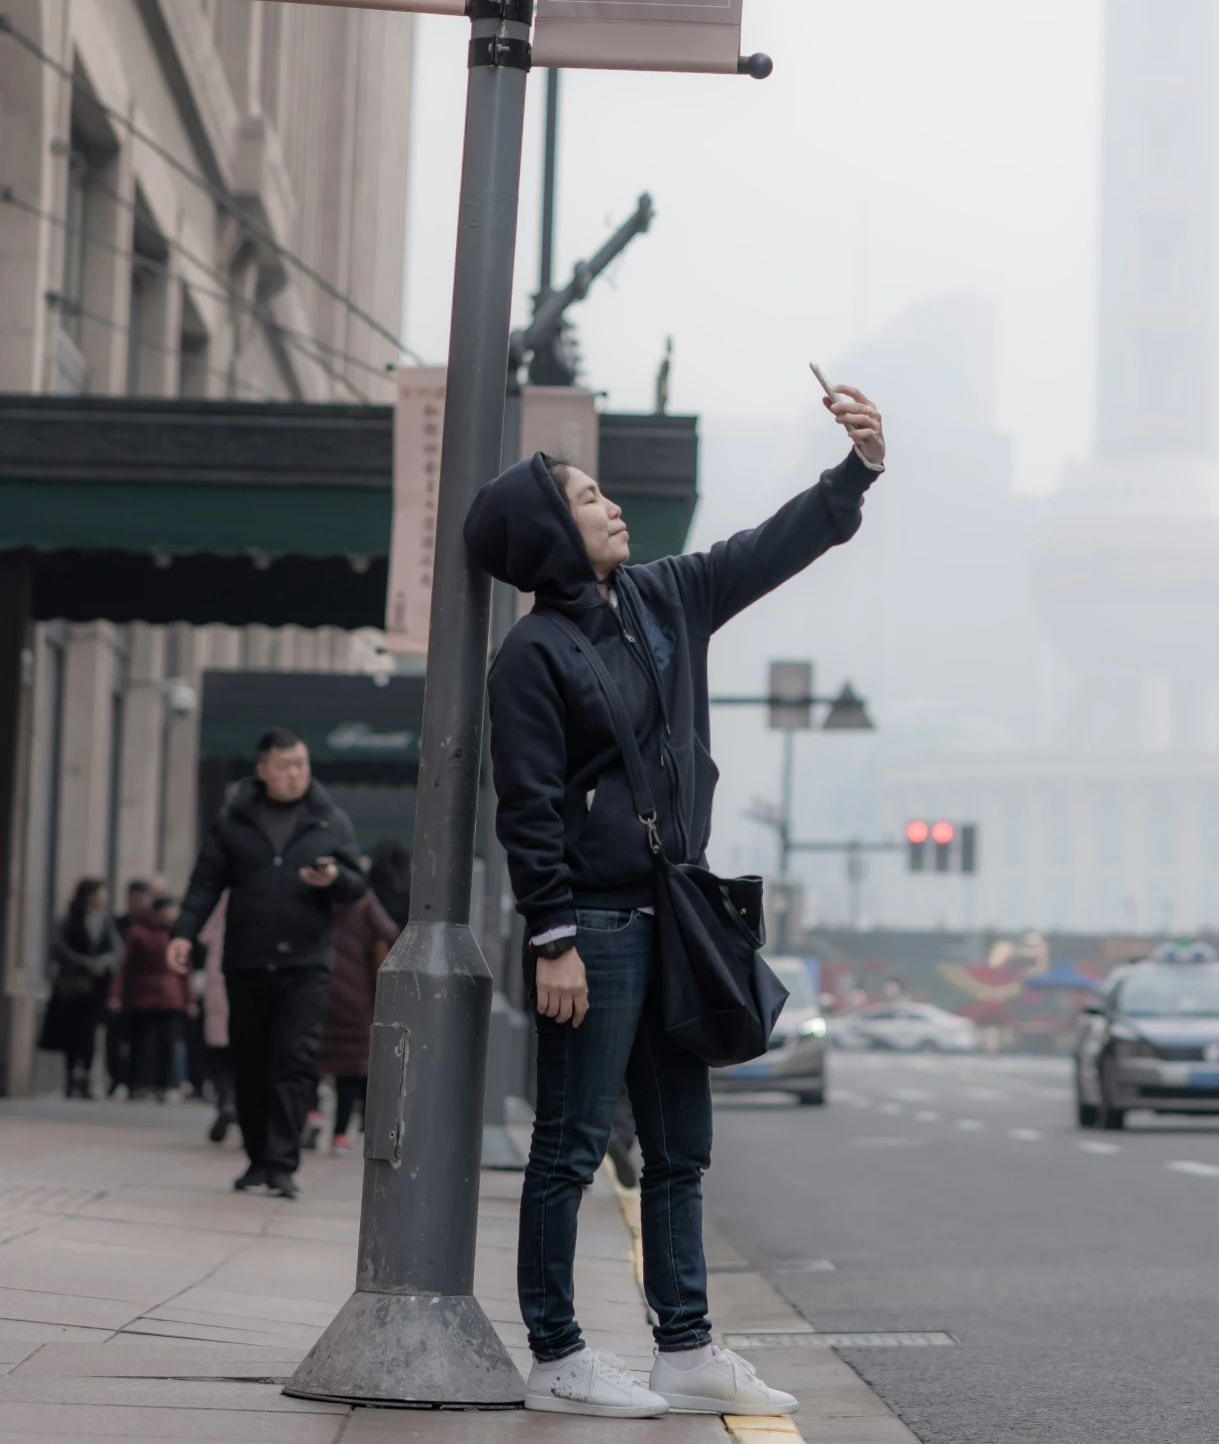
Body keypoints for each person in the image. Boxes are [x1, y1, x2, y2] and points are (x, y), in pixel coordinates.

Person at [467, 380, 885, 1419]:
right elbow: (526, 805)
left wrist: (855, 473)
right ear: (548, 534)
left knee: (681, 1146)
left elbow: (764, 548)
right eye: (590, 497)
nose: (613, 507)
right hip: (595, 928)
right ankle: (558, 1358)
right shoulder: (529, 656)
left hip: (676, 916)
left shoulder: (663, 599)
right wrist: (552, 934)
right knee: (568, 1143)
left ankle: (685, 1346)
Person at [168, 729, 365, 1198]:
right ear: (263, 770)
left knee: (294, 1063)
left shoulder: (329, 820)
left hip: (306, 964)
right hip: (248, 961)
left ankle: (282, 1164)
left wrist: (334, 876)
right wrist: (182, 934)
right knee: (250, 1064)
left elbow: (357, 886)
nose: (296, 773)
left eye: (301, 763)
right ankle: (257, 1159)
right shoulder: (233, 820)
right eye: (285, 765)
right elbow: (204, 884)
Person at [316, 887, 398, 1152]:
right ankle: (339, 1135)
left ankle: (311, 1114)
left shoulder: (314, 895)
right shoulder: (362, 900)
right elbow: (391, 933)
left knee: (309, 1058)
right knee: (349, 1069)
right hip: (355, 995)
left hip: (316, 987)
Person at [38, 878, 120, 1098]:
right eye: (101, 893)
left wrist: (103, 964)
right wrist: (84, 963)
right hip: (71, 986)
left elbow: (117, 950)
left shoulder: (105, 921)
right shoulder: (68, 919)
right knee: (69, 1033)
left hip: (95, 989)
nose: (104, 898)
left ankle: (85, 1078)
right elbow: (59, 947)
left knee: (90, 1034)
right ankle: (70, 1078)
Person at [119, 895, 186, 1098]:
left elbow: (185, 969)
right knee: (141, 1043)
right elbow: (126, 966)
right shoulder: (138, 933)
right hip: (143, 997)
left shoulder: (178, 935)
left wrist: (188, 999)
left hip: (170, 997)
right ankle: (138, 1084)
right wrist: (116, 994)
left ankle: (163, 1085)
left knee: (167, 1044)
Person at [106, 879, 152, 1095]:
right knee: (114, 1039)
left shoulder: (153, 925)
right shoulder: (118, 923)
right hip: (120, 989)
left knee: (139, 1041)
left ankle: (135, 1082)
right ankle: (116, 1079)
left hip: (143, 994)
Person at [198, 898, 238, 1142]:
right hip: (245, 990)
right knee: (245, 1059)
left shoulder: (220, 901)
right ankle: (238, 1107)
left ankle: (226, 1101)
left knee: (219, 1056)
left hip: (216, 991)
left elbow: (203, 936)